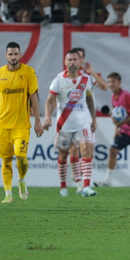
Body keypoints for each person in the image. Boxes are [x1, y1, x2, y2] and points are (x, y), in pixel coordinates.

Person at [0, 42, 44, 203]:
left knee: (20, 156)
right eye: (10, 54)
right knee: (5, 160)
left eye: (16, 54)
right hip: (2, 124)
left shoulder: (28, 72)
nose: (13, 57)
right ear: (6, 56)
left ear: (20, 55)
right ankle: (8, 194)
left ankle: (21, 180)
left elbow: (34, 97)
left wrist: (38, 121)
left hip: (21, 124)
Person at [43, 49, 97, 197]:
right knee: (63, 154)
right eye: (69, 60)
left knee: (86, 151)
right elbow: (49, 101)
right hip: (65, 124)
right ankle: (63, 187)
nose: (72, 62)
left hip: (83, 123)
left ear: (80, 61)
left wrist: (93, 119)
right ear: (65, 62)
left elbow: (90, 100)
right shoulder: (58, 80)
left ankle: (86, 186)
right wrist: (47, 117)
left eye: (75, 59)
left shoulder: (86, 79)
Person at [69, 48, 108, 194]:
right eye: (74, 57)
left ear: (82, 60)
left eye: (79, 57)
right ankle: (81, 183)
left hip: (87, 119)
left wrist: (92, 72)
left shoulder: (88, 77)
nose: (76, 60)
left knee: (89, 152)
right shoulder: (66, 77)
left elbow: (104, 87)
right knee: (74, 149)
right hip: (72, 119)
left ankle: (80, 175)